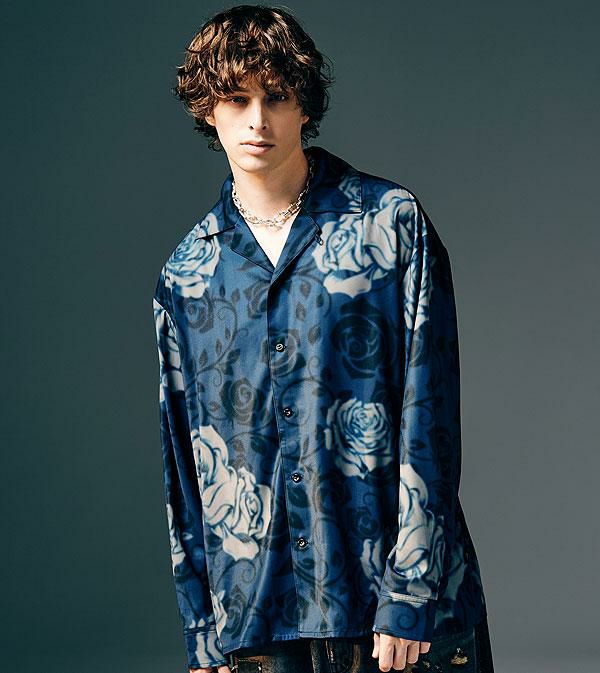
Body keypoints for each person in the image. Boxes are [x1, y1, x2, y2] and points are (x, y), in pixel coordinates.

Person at [152, 4, 495, 673]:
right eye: (237, 98)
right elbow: (184, 465)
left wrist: (411, 590)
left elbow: (429, 414)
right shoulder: (186, 274)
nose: (257, 119)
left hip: (395, 615)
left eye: (276, 96)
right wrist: (202, 629)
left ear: (304, 106)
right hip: (259, 622)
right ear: (208, 110)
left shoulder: (389, 225)